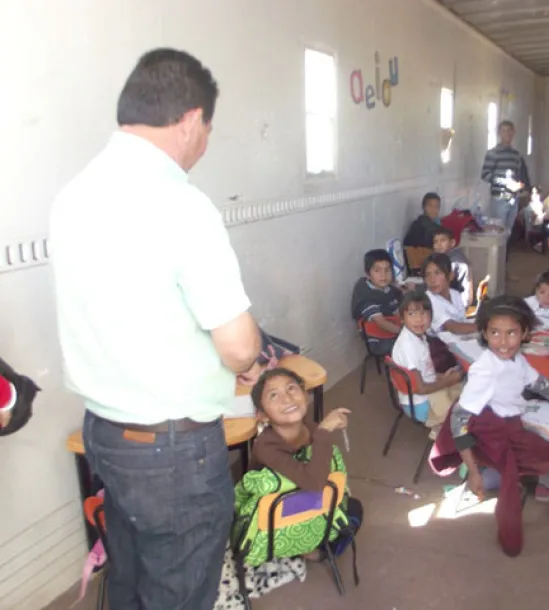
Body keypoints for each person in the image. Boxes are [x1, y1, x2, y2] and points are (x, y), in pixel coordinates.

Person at [50, 49, 262, 609]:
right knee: (177, 590)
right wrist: (252, 351)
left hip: (106, 432)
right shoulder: (182, 206)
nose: (206, 144)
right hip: (172, 450)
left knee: (130, 578)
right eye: (208, 130)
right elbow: (239, 347)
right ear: (191, 120)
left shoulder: (73, 197)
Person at [432, 296, 549, 554]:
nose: (503, 341)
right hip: (492, 432)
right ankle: (537, 477)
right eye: (495, 333)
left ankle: (543, 478)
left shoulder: (516, 359)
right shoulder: (485, 370)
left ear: (525, 333)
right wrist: (472, 471)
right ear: (484, 333)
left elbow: (543, 385)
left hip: (512, 418)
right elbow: (459, 419)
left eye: (511, 333)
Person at [247, 368, 363, 557]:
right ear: (263, 415)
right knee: (353, 510)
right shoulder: (266, 447)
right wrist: (324, 432)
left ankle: (305, 546)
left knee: (352, 506)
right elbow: (315, 483)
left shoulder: (309, 427)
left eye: (291, 389)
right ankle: (315, 554)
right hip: (275, 521)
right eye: (273, 395)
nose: (287, 399)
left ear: (305, 394)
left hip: (302, 505)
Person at [391, 292, 464, 436]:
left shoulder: (416, 336)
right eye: (412, 314)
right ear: (402, 318)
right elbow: (421, 388)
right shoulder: (409, 346)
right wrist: (450, 380)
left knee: (461, 387)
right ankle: (444, 432)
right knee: (465, 405)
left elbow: (422, 372)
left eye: (424, 314)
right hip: (421, 405)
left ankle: (440, 428)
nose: (419, 319)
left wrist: (441, 377)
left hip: (418, 396)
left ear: (431, 317)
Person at [351, 249, 403, 354]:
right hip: (379, 341)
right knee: (408, 345)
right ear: (368, 274)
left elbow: (398, 310)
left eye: (387, 270)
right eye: (377, 270)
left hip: (392, 330)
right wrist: (405, 333)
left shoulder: (388, 289)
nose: (383, 275)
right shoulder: (366, 295)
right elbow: (381, 322)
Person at [480, 120, 530, 230]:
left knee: (508, 232)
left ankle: (506, 248)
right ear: (499, 133)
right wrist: (506, 183)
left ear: (513, 133)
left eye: (509, 131)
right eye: (503, 131)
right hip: (499, 198)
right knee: (498, 231)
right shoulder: (492, 153)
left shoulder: (516, 155)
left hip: (513, 198)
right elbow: (485, 174)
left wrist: (520, 185)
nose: (506, 134)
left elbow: (518, 176)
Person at [423, 254, 476, 337]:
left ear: (450, 276)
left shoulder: (455, 294)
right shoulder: (428, 299)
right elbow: (453, 327)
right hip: (438, 346)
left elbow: (462, 321)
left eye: (437, 273)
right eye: (428, 275)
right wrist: (484, 327)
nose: (432, 280)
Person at [432, 226, 473, 308]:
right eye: (436, 242)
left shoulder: (454, 261)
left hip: (458, 304)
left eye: (443, 240)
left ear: (452, 243)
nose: (439, 245)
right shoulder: (449, 256)